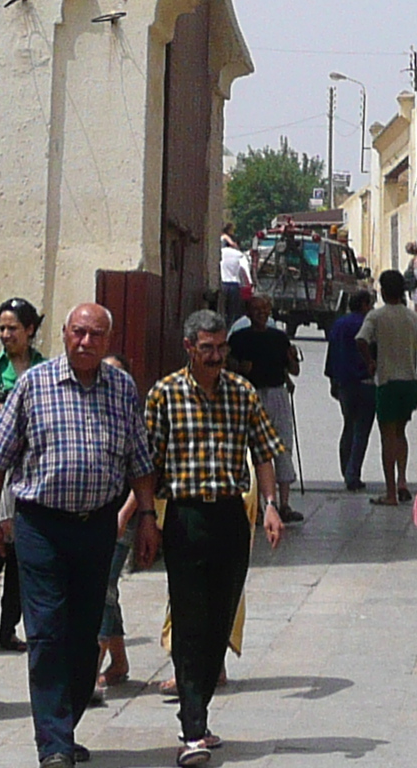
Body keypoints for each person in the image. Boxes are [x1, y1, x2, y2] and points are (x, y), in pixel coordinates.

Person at [0, 301, 157, 768]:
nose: (85, 342)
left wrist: (148, 517)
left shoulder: (121, 389)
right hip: (41, 524)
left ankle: (66, 723)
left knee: (84, 634)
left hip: (96, 526)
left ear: (108, 341)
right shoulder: (33, 385)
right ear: (62, 334)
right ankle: (54, 743)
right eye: (78, 333)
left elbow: (140, 461)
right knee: (46, 632)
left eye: (95, 335)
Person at [146, 309, 287, 768]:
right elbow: (148, 463)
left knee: (221, 618)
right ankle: (191, 729)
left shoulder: (241, 393)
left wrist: (269, 505)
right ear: (189, 348)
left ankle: (199, 712)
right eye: (206, 348)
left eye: (220, 348)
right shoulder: (165, 395)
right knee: (190, 620)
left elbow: (263, 452)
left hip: (230, 514)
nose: (215, 356)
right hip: (185, 517)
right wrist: (145, 516)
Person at [0, 297, 43, 651]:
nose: (5, 335)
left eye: (12, 328)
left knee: (21, 557)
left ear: (29, 330)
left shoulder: (45, 369)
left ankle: (9, 628)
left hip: (31, 473)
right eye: (1, 328)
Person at [224, 290, 307, 522]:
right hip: (250, 395)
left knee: (282, 445)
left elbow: (293, 370)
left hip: (277, 394)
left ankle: (284, 504)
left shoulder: (279, 337)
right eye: (256, 309)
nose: (261, 313)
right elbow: (227, 365)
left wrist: (291, 360)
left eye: (265, 309)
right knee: (252, 449)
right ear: (249, 313)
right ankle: (258, 507)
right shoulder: (239, 338)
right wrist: (240, 367)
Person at [361, 265, 417, 509]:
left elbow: (361, 339)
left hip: (388, 383)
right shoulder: (412, 316)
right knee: (400, 433)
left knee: (387, 437)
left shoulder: (376, 316)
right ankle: (402, 482)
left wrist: (370, 362)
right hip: (410, 383)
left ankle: (390, 492)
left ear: (382, 291)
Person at [326, 286, 378, 493]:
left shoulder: (339, 324)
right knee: (362, 430)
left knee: (348, 426)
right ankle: (353, 474)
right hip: (365, 382)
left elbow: (332, 353)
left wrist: (332, 380)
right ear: (364, 305)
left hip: (344, 383)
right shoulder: (368, 324)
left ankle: (345, 469)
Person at [218, 227, 252, 321]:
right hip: (234, 285)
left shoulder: (220, 252)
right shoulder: (239, 254)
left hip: (222, 284)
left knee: (221, 311)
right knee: (233, 313)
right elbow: (245, 270)